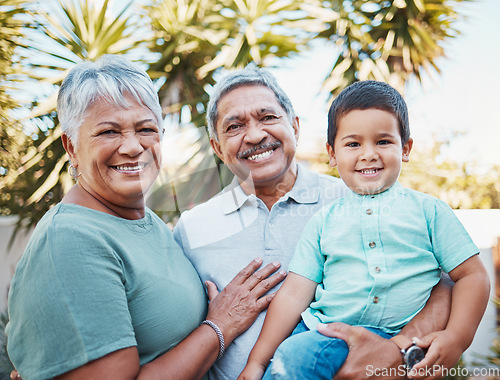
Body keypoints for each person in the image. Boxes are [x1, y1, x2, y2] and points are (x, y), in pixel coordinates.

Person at [6, 55, 286, 380]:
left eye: (145, 129)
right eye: (109, 132)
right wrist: (220, 326)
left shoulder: (148, 222)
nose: (132, 146)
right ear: (71, 146)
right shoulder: (70, 239)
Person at [173, 68, 456, 380]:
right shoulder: (190, 229)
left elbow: (442, 283)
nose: (254, 135)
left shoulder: (357, 199)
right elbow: (170, 330)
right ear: (216, 147)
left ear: (295, 126)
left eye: (267, 117)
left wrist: (400, 351)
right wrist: (220, 325)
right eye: (235, 126)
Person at [239, 80, 490, 380]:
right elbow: (294, 295)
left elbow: (472, 275)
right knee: (293, 358)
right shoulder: (323, 221)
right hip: (328, 335)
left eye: (383, 141)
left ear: (405, 148)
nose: (368, 154)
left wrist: (457, 337)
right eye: (353, 144)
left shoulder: (430, 212)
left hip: (399, 338)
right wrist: (256, 362)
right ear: (332, 154)